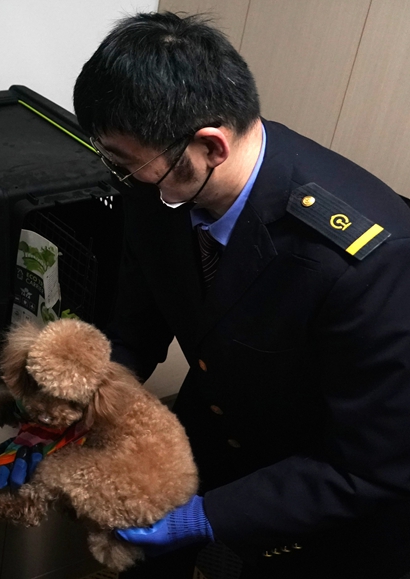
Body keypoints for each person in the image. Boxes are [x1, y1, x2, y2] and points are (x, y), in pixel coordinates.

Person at [73, 11, 410, 579]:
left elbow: (371, 466)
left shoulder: (368, 262)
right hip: (216, 429)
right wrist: (72, 406)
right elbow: (137, 323)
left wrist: (204, 517)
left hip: (325, 498)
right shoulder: (163, 185)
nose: (124, 178)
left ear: (210, 146)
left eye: (129, 165)